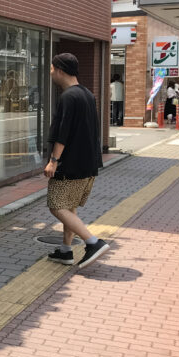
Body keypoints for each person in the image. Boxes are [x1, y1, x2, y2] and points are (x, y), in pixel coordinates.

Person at [44, 53, 109, 268]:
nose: (51, 73)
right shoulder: (87, 94)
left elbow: (63, 133)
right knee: (69, 206)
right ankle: (66, 251)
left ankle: (93, 242)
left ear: (60, 70)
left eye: (52, 69)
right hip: (88, 163)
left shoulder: (68, 97)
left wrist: (54, 160)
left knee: (56, 206)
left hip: (70, 164)